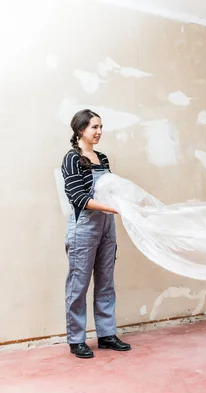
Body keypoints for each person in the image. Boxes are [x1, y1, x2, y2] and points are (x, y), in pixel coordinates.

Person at [61, 109, 131, 358]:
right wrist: (114, 208)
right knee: (78, 283)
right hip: (85, 226)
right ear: (81, 129)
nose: (99, 132)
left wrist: (124, 203)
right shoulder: (72, 158)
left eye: (101, 127)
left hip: (106, 225)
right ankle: (76, 339)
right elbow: (78, 197)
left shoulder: (102, 157)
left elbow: (110, 190)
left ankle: (106, 334)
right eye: (94, 127)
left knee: (105, 281)